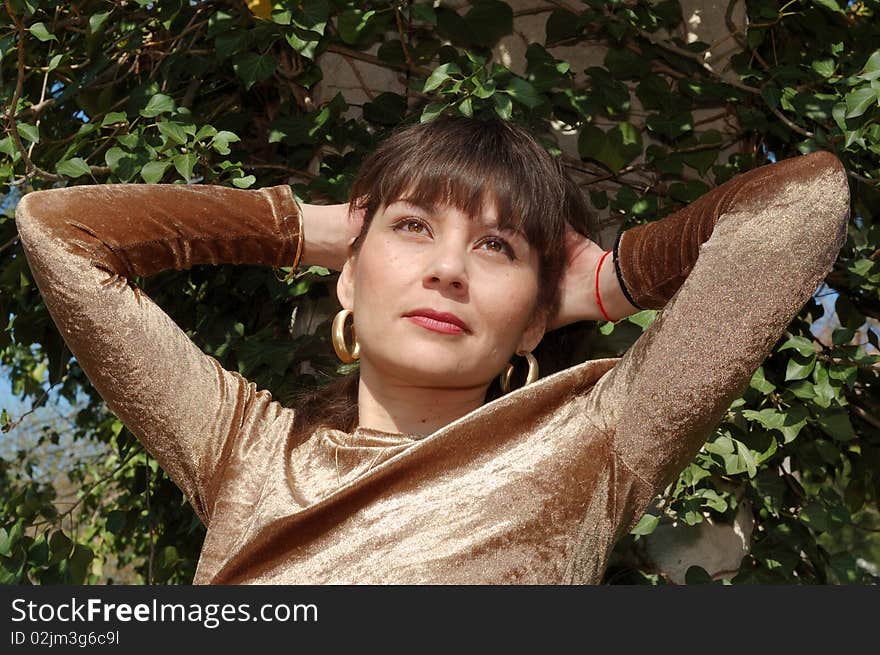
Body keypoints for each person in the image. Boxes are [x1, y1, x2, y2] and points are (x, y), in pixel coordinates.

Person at [13, 114, 850, 584]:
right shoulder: (245, 450)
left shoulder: (594, 445)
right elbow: (58, 231)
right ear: (347, 276)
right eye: (413, 228)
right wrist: (307, 229)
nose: (447, 268)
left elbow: (806, 201)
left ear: (535, 320)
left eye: (499, 248)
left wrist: (613, 280)